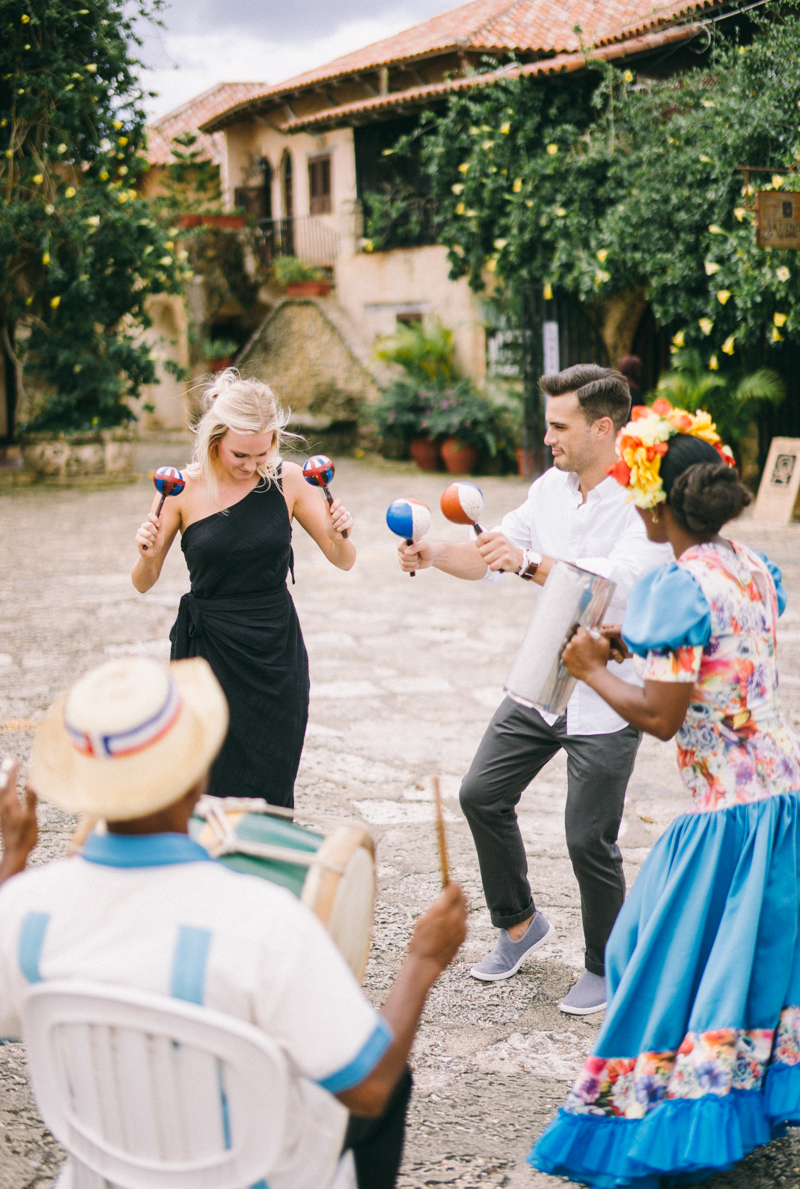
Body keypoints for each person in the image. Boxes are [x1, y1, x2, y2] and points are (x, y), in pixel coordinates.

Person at [0, 656, 467, 1189]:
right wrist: (423, 961)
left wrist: (14, 858)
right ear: (197, 775)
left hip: (100, 1175)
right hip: (253, 1177)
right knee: (393, 1077)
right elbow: (369, 1085)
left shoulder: (26, 910)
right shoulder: (261, 923)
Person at [531, 400, 800, 1187]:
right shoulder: (750, 567)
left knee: (656, 957)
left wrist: (590, 669)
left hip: (724, 814)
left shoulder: (677, 586)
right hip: (781, 797)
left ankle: (670, 1110)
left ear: (656, 504)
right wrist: (626, 643)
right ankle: (735, 1096)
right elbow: (720, 650)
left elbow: (660, 715)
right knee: (744, 964)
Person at [397, 365, 669, 1015]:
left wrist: (526, 563)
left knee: (586, 838)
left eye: (558, 425)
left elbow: (618, 586)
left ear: (603, 427)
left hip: (610, 684)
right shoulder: (550, 488)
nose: (545, 436)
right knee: (481, 794)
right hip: (543, 673)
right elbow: (494, 557)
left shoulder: (645, 500)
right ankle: (519, 924)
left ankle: (607, 964)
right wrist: (434, 552)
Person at [132, 370, 356, 807]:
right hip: (208, 654)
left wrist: (342, 533)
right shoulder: (181, 488)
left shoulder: (289, 480)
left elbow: (342, 559)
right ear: (215, 438)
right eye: (241, 454)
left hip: (274, 653)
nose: (253, 465)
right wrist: (144, 553)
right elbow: (143, 582)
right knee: (206, 783)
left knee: (271, 782)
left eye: (263, 452)